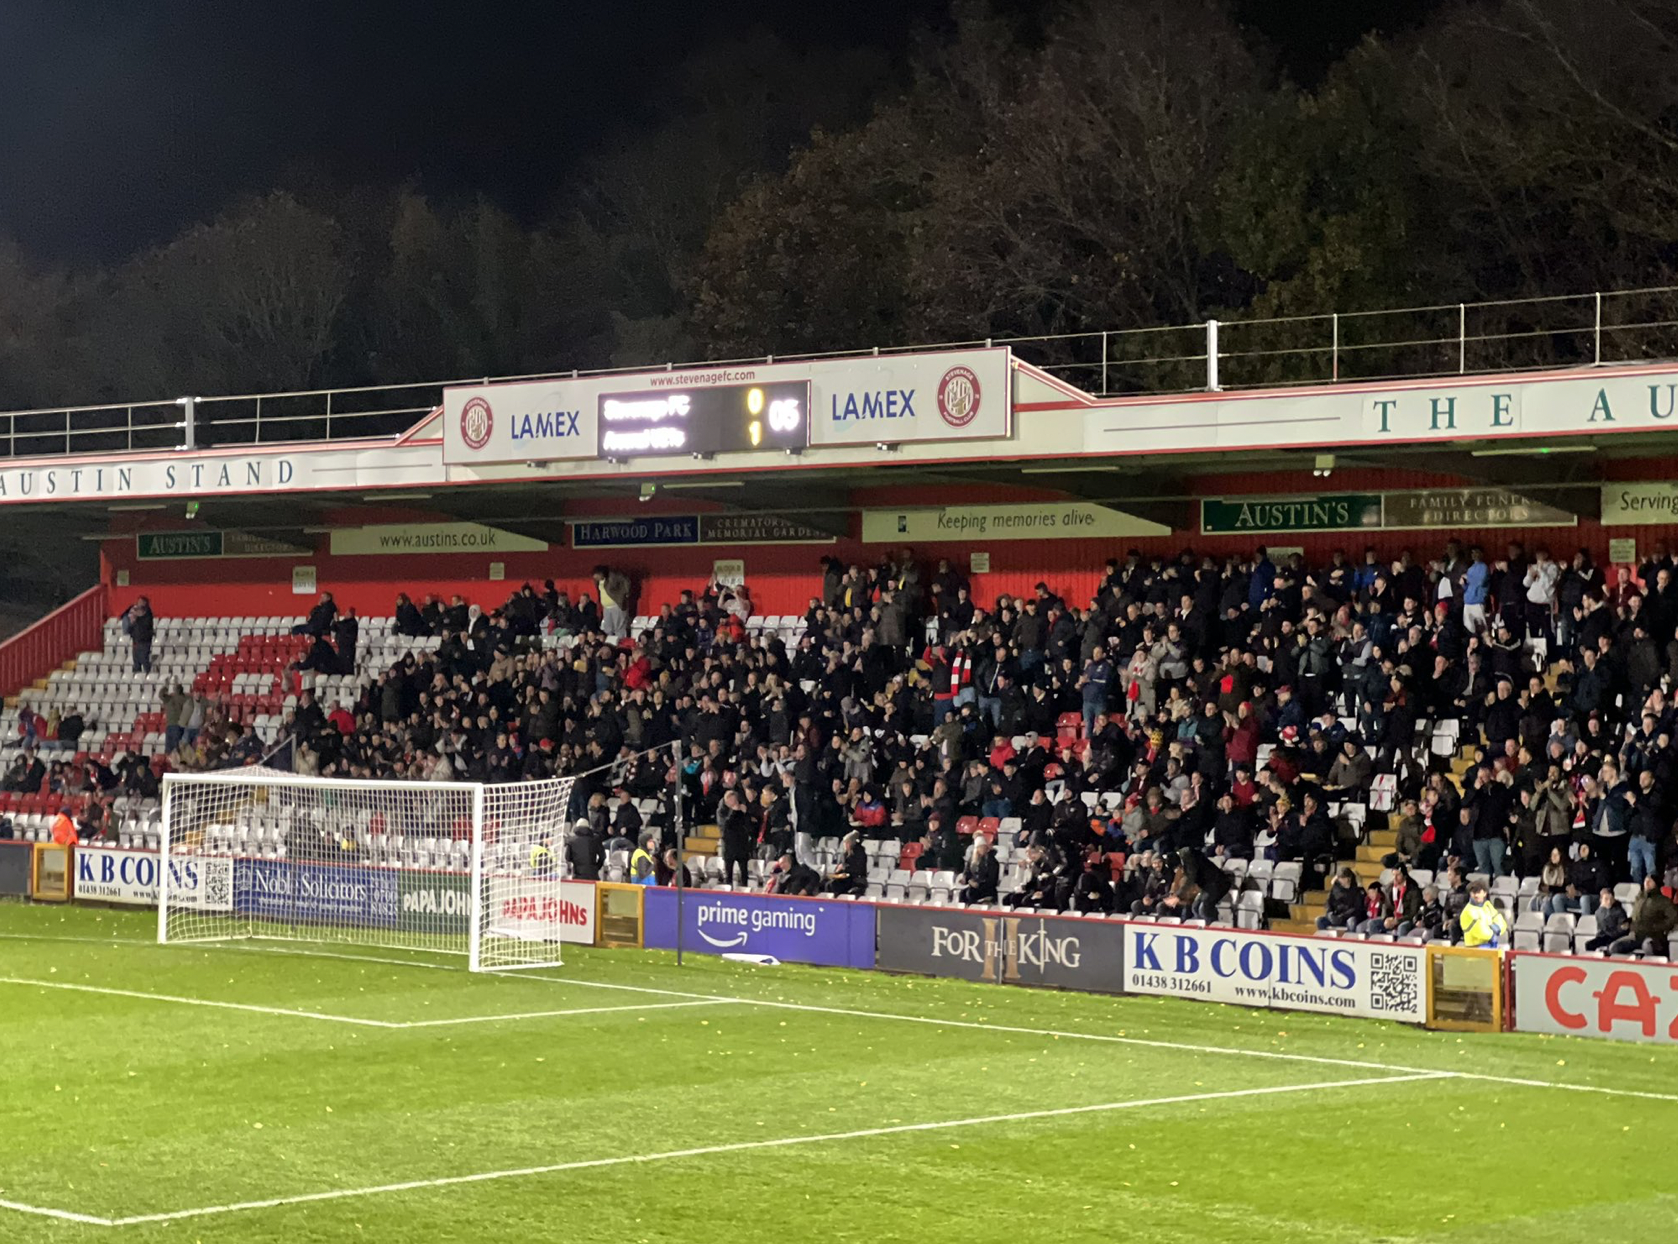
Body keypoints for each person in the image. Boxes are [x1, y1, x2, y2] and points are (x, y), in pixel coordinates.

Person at [717, 789, 752, 888]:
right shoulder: (721, 811)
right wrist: (733, 811)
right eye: (731, 801)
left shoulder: (740, 810)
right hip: (729, 845)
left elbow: (748, 826)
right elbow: (725, 825)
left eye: (735, 800)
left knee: (744, 872)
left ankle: (744, 889)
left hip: (741, 844)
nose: (733, 803)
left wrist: (745, 814)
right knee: (728, 873)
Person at [1459, 880, 1509, 948]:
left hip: (1491, 946)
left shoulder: (1488, 905)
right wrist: (1494, 931)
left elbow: (1501, 922)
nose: (1476, 895)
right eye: (1474, 893)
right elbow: (1481, 931)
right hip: (1474, 948)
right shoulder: (1468, 910)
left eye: (1479, 892)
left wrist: (1497, 929)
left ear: (1485, 893)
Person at [960, 834, 1000, 905]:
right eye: (980, 847)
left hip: (987, 888)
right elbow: (967, 872)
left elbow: (992, 879)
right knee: (962, 893)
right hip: (974, 885)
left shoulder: (991, 861)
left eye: (983, 847)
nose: (982, 849)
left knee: (970, 893)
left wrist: (979, 883)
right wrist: (969, 881)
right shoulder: (972, 860)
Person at [825, 831, 867, 896]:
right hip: (844, 878)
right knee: (828, 884)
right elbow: (840, 865)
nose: (845, 844)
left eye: (847, 842)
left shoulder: (859, 853)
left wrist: (844, 868)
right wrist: (838, 871)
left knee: (834, 885)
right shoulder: (844, 854)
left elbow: (859, 868)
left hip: (855, 878)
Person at [121, 596, 155, 673]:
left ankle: (148, 674)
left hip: (144, 641)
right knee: (136, 661)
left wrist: (138, 617)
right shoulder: (135, 614)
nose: (138, 603)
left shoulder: (148, 614)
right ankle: (137, 675)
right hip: (136, 640)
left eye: (140, 602)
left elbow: (146, 625)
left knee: (144, 659)